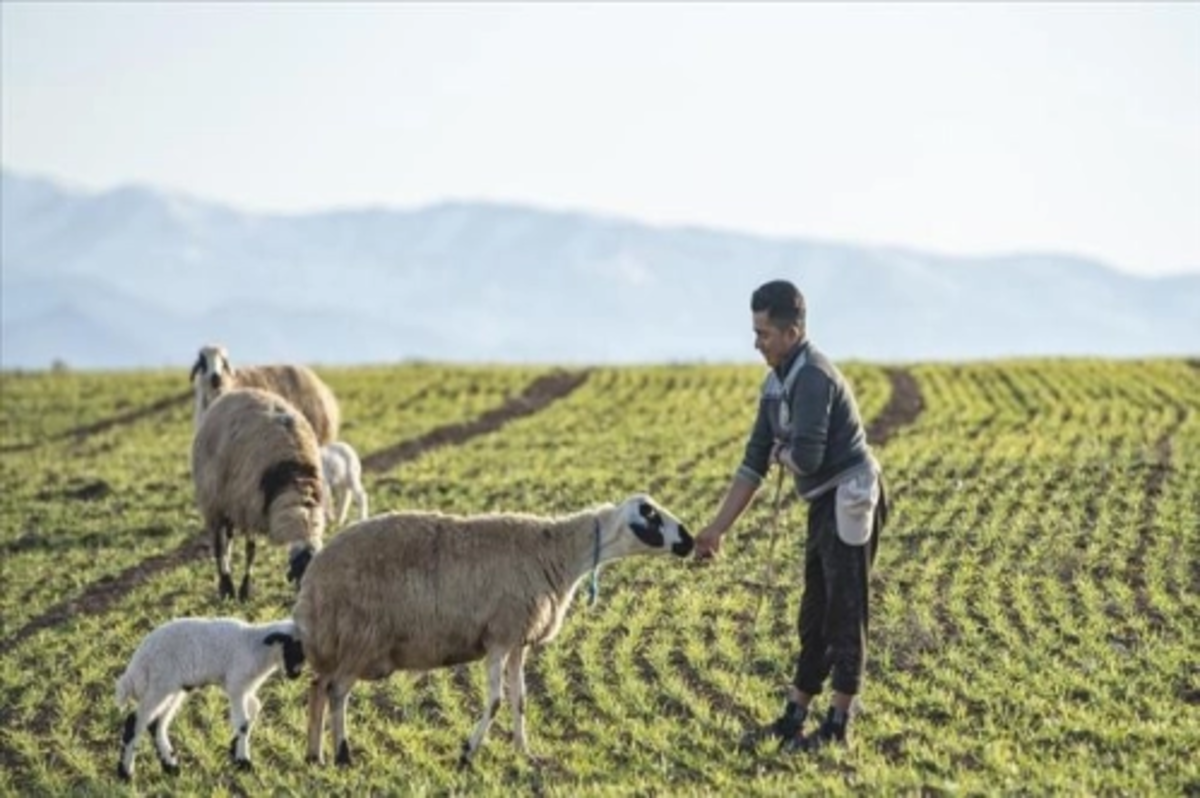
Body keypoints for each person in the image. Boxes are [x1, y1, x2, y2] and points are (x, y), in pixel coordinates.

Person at [695, 279, 888, 753]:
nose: (756, 342)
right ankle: (795, 714)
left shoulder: (814, 377)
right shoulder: (775, 383)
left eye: (763, 333)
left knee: (845, 610)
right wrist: (717, 530)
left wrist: (784, 452)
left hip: (850, 495)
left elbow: (808, 457)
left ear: (793, 332)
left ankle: (839, 725)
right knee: (813, 613)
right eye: (756, 332)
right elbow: (753, 462)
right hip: (824, 500)